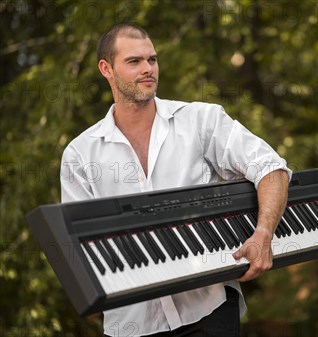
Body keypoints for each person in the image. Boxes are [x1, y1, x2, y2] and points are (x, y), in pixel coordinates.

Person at [60, 23, 291, 337]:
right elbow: (80, 247)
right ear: (106, 69)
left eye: (152, 60)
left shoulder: (200, 120)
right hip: (131, 326)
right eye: (134, 61)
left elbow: (270, 168)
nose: (148, 69)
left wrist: (264, 233)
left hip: (208, 310)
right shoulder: (79, 154)